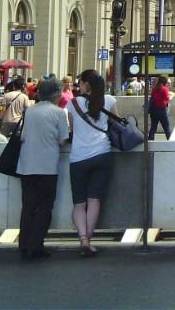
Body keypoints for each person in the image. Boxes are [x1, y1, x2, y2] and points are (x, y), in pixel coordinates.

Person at [66, 69, 117, 257]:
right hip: (102, 154)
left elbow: (73, 130)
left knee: (79, 203)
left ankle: (83, 239)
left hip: (78, 157)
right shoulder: (109, 100)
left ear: (86, 84)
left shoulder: (73, 103)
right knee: (94, 200)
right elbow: (115, 124)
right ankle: (89, 239)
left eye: (80, 82)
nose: (78, 85)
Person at [16, 78, 68, 260]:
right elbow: (63, 140)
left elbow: (23, 135)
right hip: (47, 166)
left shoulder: (30, 111)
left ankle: (23, 245)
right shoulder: (59, 113)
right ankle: (35, 245)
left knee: (28, 206)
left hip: (26, 165)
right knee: (45, 206)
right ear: (57, 94)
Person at [148, 75, 174, 140]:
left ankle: (150, 140)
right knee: (166, 127)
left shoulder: (154, 88)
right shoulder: (164, 89)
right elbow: (167, 98)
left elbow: (153, 97)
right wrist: (172, 95)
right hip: (162, 110)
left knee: (153, 127)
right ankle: (170, 140)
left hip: (154, 110)